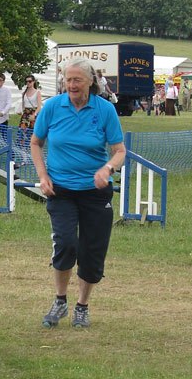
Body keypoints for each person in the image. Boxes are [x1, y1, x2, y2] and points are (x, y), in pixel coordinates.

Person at [30, 57, 125, 329]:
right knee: (66, 243)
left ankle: (82, 306)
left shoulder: (105, 110)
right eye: (67, 80)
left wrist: (107, 169)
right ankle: (60, 301)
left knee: (92, 251)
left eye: (76, 80)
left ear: (90, 81)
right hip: (61, 190)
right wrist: (43, 176)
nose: (71, 85)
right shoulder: (52, 108)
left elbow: (119, 151)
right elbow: (36, 143)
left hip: (95, 192)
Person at [17, 74, 42, 160]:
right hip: (25, 116)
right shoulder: (24, 93)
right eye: (26, 81)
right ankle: (24, 157)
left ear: (33, 82)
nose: (28, 83)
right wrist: (21, 111)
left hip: (33, 115)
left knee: (31, 137)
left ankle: (33, 156)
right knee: (21, 135)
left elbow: (39, 107)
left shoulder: (37, 92)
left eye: (30, 81)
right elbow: (23, 105)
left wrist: (34, 115)